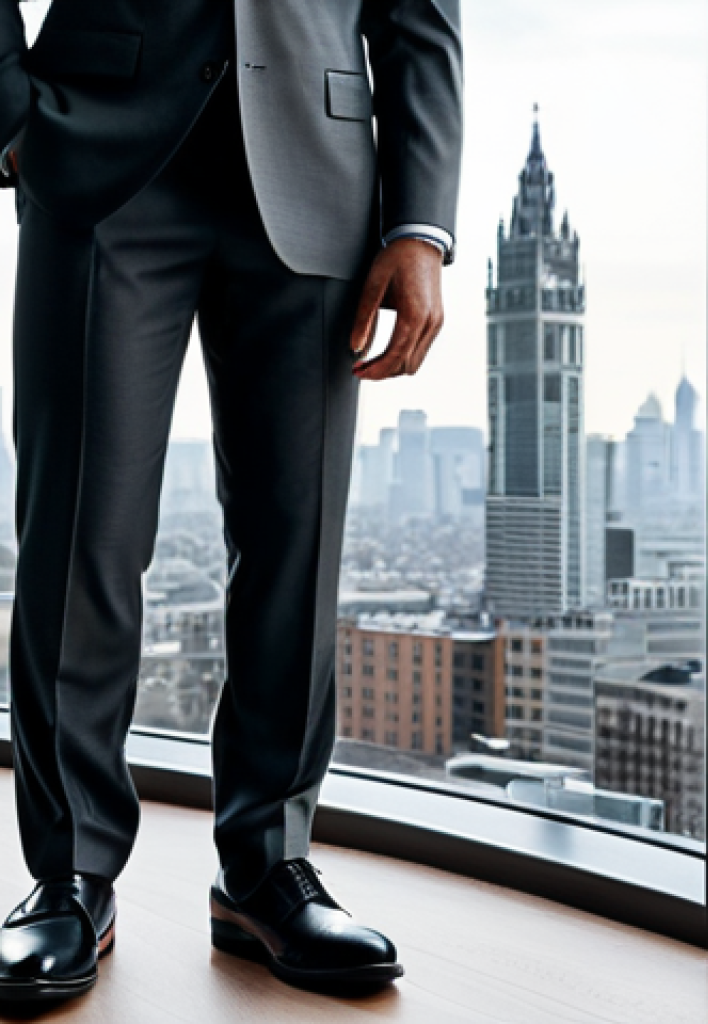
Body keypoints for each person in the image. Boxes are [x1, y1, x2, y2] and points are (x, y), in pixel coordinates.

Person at [0, 0, 462, 1003]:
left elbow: (420, 14)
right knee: (80, 536)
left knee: (296, 543)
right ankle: (69, 873)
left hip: (319, 166)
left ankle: (266, 865)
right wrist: (11, 115)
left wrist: (420, 222)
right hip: (100, 153)